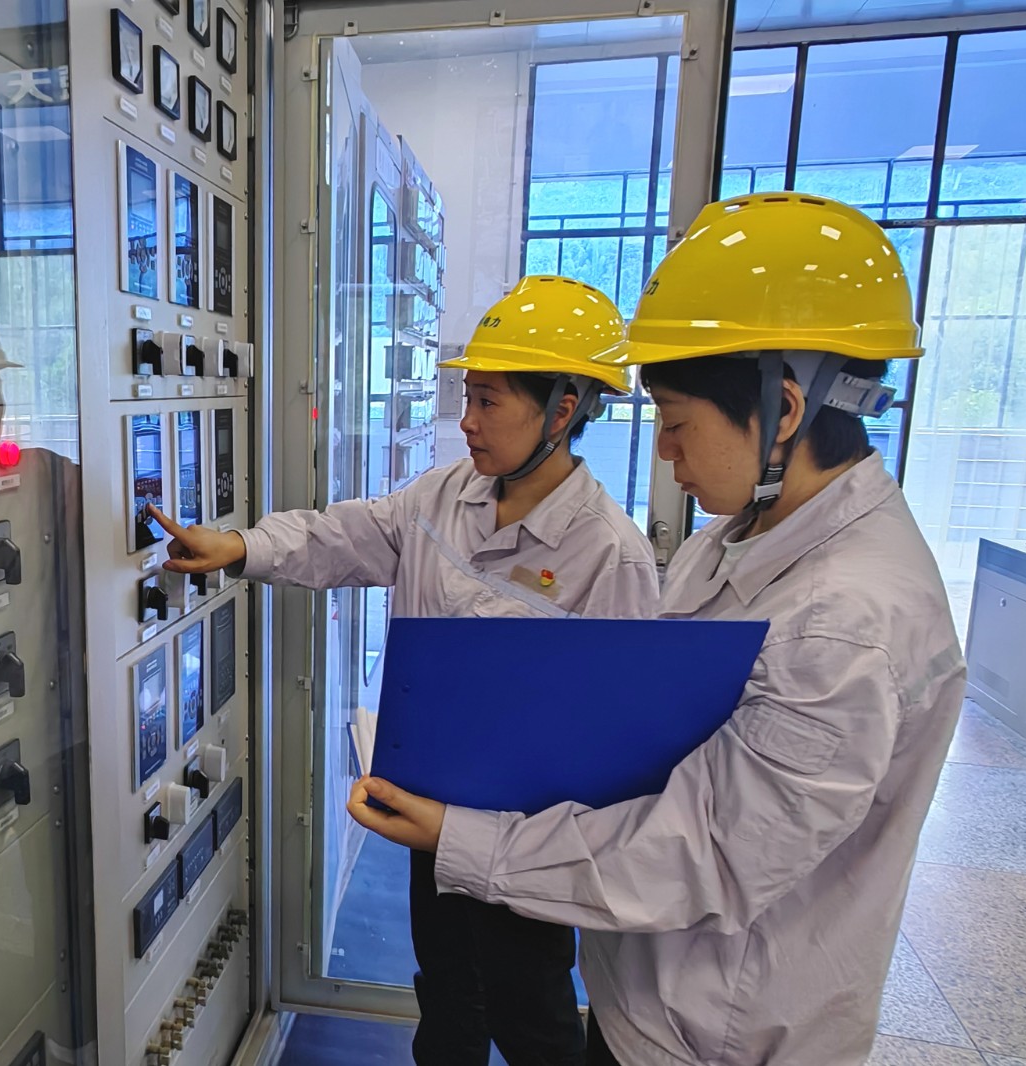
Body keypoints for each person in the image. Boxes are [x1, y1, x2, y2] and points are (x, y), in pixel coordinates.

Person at [347, 193, 967, 1066]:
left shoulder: (842, 625)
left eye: (677, 424)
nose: (667, 454)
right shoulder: (738, 538)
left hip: (716, 1038)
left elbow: (699, 853)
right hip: (653, 998)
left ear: (784, 410)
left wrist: (463, 837)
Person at [152, 276, 661, 1065]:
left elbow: (620, 736)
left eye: (488, 401)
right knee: (447, 995)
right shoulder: (446, 495)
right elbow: (342, 537)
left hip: (528, 836)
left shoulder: (609, 554)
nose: (468, 420)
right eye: (468, 396)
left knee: (532, 1015)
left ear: (563, 411)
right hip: (432, 809)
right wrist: (243, 546)